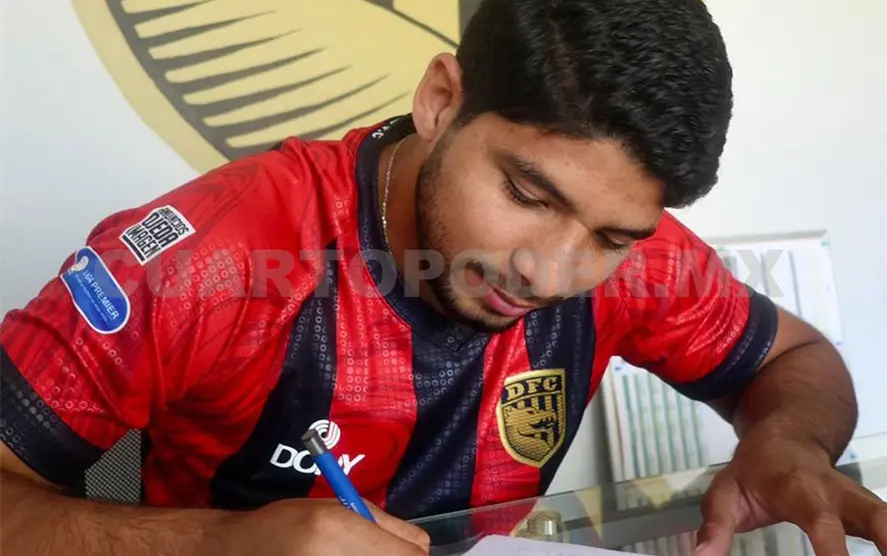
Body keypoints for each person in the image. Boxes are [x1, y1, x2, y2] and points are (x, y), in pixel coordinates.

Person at [1, 0, 885, 554]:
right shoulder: (218, 253)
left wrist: (789, 441)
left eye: (612, 235)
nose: (550, 272)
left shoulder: (632, 257)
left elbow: (793, 361)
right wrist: (214, 546)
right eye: (526, 194)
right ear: (441, 101)